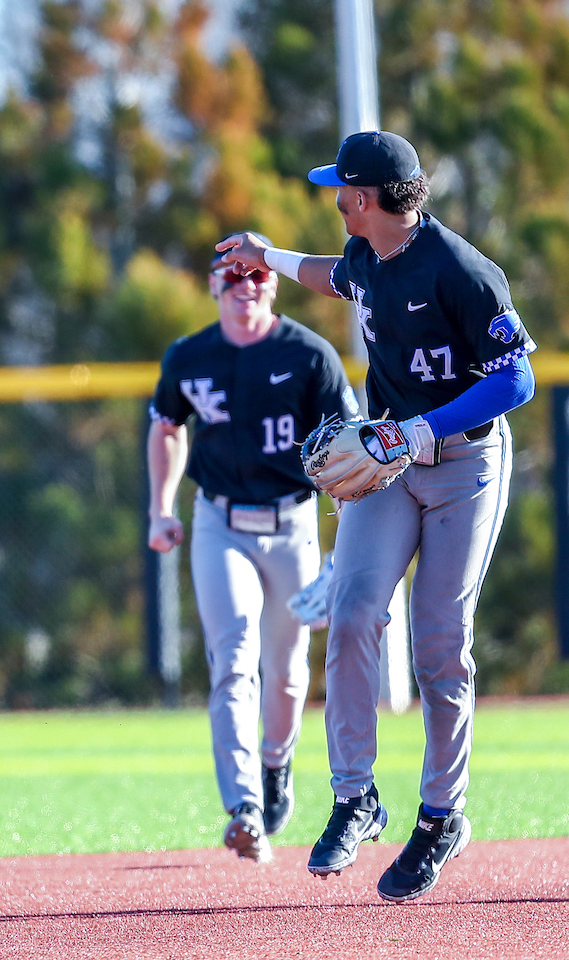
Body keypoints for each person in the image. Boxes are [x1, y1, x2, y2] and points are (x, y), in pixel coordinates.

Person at [218, 130, 536, 901]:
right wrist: (273, 257)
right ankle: (356, 796)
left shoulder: (461, 270)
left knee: (438, 644)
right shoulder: (368, 253)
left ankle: (440, 815)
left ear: (362, 198)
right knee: (355, 612)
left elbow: (517, 379)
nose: (333, 196)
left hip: (463, 463)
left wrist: (421, 428)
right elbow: (339, 279)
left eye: (340, 187)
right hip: (387, 464)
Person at [147, 237, 358, 862]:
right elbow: (166, 426)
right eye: (233, 278)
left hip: (292, 521)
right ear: (214, 287)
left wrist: (346, 542)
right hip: (221, 522)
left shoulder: (309, 355)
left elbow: (349, 447)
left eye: (257, 276)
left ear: (274, 283)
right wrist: (161, 507)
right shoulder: (191, 356)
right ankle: (242, 804)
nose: (247, 287)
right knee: (233, 656)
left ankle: (275, 764)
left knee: (289, 673)